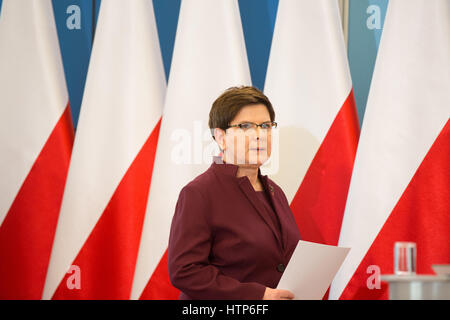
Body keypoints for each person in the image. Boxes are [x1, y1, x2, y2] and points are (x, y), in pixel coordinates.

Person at [168, 86, 301, 300]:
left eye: (266, 126)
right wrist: (257, 295)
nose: (260, 135)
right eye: (246, 126)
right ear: (220, 137)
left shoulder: (276, 192)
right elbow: (185, 271)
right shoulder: (199, 193)